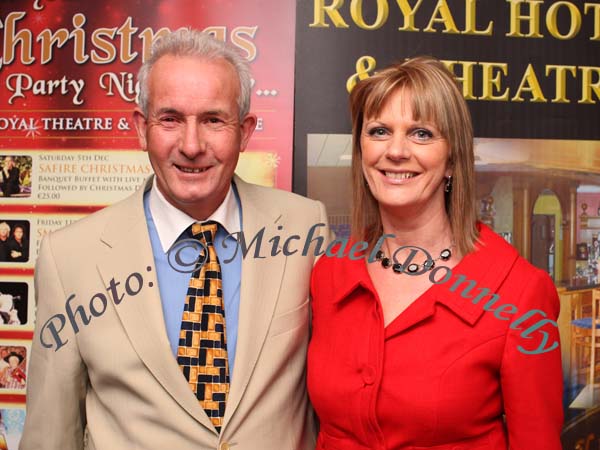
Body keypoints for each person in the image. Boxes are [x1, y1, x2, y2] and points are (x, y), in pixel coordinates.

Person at [22, 29, 330, 450]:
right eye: (170, 119)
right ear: (141, 128)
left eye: (213, 120)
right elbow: (50, 435)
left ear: (244, 131)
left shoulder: (303, 228)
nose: (191, 145)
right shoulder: (69, 257)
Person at [308, 57, 563, 450]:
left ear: (453, 159)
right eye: (379, 131)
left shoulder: (521, 294)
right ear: (361, 152)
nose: (396, 151)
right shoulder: (329, 272)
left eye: (421, 134)